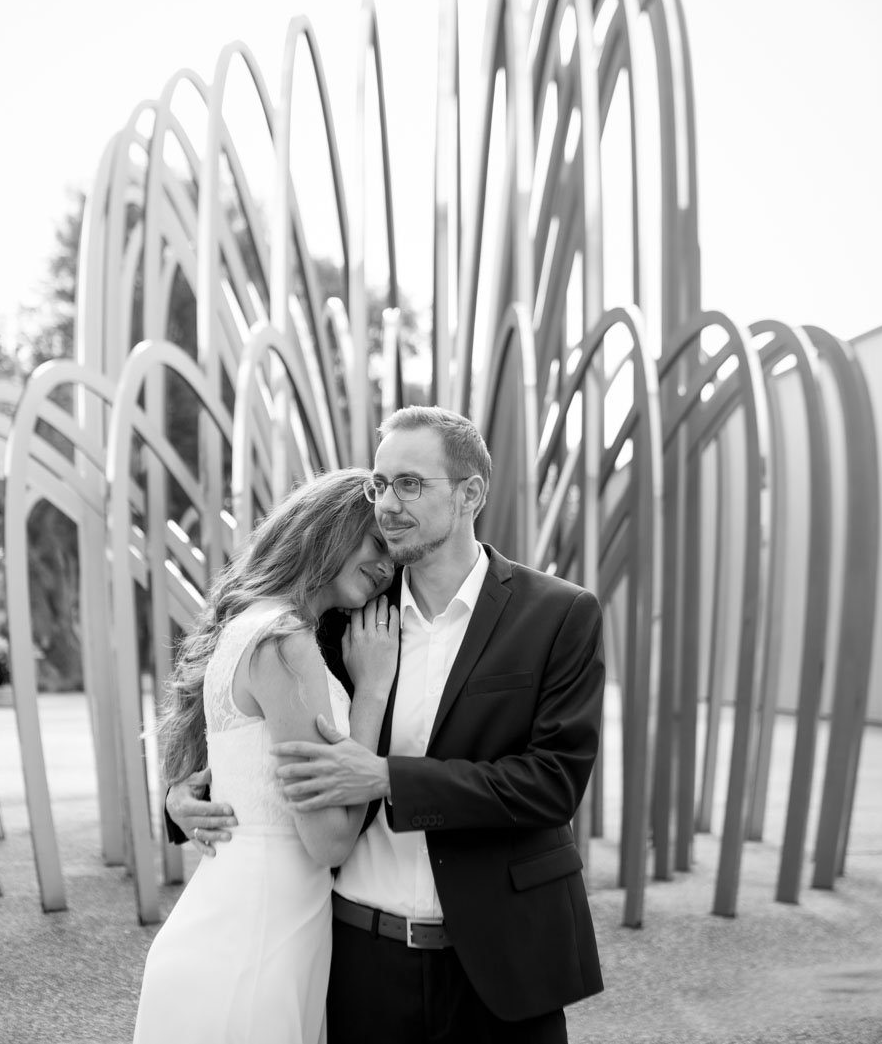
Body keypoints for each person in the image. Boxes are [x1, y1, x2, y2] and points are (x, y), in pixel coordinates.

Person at [168, 406, 606, 1043]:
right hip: (360, 964)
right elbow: (250, 736)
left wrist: (387, 779)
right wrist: (184, 796)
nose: (387, 504)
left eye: (410, 483)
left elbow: (553, 784)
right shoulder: (336, 618)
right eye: (379, 484)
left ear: (469, 495)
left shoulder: (559, 614)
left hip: (502, 962)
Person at [132, 467, 398, 1044]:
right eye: (377, 542)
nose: (386, 568)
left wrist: (196, 789)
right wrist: (372, 691)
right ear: (328, 526)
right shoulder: (286, 640)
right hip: (257, 939)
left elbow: (238, 756)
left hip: (247, 924)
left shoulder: (253, 624)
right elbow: (327, 840)